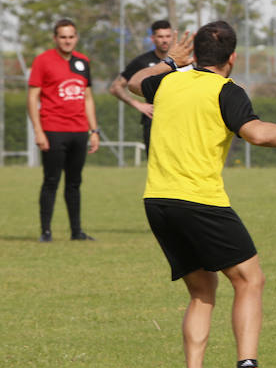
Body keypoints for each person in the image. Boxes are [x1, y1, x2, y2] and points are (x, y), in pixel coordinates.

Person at [127, 21, 276, 368]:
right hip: (199, 199)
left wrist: (167, 62)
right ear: (233, 58)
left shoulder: (168, 81)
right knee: (249, 279)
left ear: (194, 55)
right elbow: (258, 133)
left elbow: (134, 81)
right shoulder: (227, 90)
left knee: (202, 289)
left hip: (157, 200)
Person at [27, 19, 100, 242]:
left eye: (71, 36)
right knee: (51, 180)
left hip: (78, 131)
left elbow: (87, 98)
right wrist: (38, 131)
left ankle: (76, 232)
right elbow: (32, 97)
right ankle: (46, 231)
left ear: (76, 38)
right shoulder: (43, 61)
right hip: (53, 129)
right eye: (63, 37)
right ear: (55, 38)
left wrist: (94, 130)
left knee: (74, 182)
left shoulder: (83, 62)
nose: (67, 41)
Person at [108, 20, 174, 150]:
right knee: (157, 166)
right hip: (154, 121)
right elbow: (115, 87)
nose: (164, 40)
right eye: (160, 37)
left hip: (179, 121)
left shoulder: (181, 61)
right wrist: (138, 104)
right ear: (152, 38)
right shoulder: (142, 62)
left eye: (167, 36)